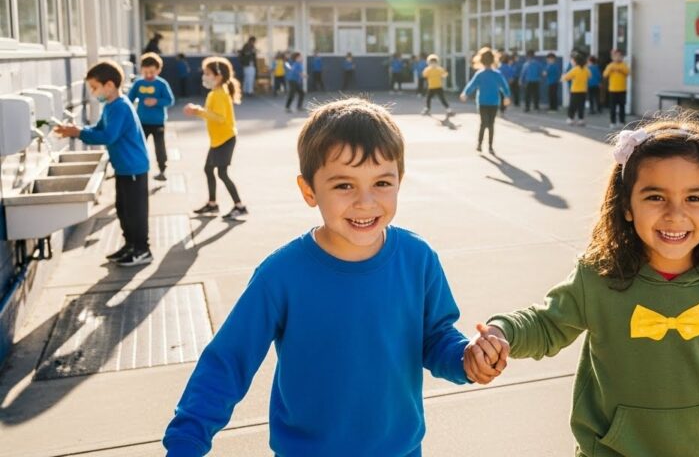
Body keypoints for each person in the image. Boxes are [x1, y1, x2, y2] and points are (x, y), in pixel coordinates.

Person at [465, 114, 699, 457]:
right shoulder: (599, 277)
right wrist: (502, 333)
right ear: (627, 205)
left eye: (694, 198)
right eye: (655, 197)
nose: (675, 214)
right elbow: (545, 323)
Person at [163, 98, 481, 456]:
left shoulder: (417, 259)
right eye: (344, 185)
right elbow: (227, 363)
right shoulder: (281, 275)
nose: (365, 201)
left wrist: (465, 358)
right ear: (309, 191)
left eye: (381, 182)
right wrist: (186, 441)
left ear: (399, 181)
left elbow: (435, 337)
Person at [55, 61, 152, 267]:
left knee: (135, 212)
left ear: (109, 85)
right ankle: (130, 245)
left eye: (94, 87)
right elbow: (99, 128)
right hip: (124, 168)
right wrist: (78, 130)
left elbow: (108, 136)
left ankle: (142, 249)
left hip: (133, 168)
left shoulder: (120, 107)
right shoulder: (110, 106)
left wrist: (78, 133)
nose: (93, 92)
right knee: (123, 209)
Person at [184, 57, 248, 221]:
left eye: (207, 73)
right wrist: (200, 111)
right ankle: (212, 204)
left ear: (218, 76)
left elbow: (220, 118)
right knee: (208, 169)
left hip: (225, 140)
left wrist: (198, 111)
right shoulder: (215, 93)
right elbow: (213, 116)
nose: (204, 76)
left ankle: (240, 206)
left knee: (222, 173)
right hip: (218, 140)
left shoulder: (219, 94)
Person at [128, 52, 175, 181]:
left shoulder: (162, 84)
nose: (148, 75)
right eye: (146, 72)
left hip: (158, 122)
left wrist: (156, 101)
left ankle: (162, 170)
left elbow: (170, 100)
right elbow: (129, 99)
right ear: (141, 70)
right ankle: (138, 169)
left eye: (152, 72)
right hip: (141, 122)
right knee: (138, 145)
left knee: (160, 147)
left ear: (158, 70)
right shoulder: (138, 83)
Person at [461, 47, 511, 155]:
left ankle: (479, 144)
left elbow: (471, 85)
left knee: (483, 123)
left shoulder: (480, 74)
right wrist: (507, 97)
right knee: (491, 124)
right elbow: (504, 86)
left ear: (481, 61)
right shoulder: (497, 74)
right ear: (494, 60)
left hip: (482, 102)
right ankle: (490, 146)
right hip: (494, 102)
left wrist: (465, 93)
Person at [604, 49, 630, 130]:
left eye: (619, 56)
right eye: (615, 56)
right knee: (613, 107)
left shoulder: (624, 65)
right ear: (613, 57)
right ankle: (612, 122)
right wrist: (610, 69)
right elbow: (605, 75)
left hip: (622, 89)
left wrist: (621, 70)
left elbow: (628, 73)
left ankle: (622, 121)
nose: (617, 57)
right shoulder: (610, 65)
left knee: (622, 106)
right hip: (613, 90)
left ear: (622, 57)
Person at [562, 52, 590, 126]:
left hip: (575, 91)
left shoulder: (575, 69)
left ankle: (570, 119)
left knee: (572, 105)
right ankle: (581, 119)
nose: (571, 61)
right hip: (583, 90)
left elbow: (566, 78)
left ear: (576, 61)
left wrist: (563, 75)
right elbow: (589, 75)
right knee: (581, 106)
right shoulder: (585, 69)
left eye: (572, 60)